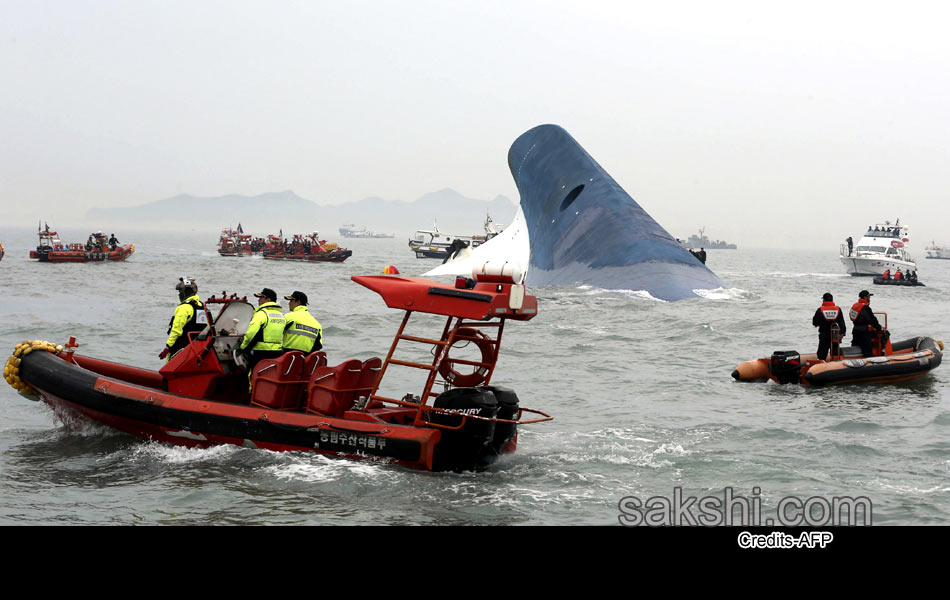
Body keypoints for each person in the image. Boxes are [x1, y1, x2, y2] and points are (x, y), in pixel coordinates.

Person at [239, 288, 286, 380]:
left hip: (260, 353)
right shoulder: (281, 316)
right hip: (277, 353)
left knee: (254, 375)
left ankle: (251, 392)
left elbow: (250, 335)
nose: (258, 300)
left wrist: (243, 347)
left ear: (268, 300)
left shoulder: (261, 314)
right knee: (270, 377)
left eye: (261, 298)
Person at [160, 277, 207, 360]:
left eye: (180, 291)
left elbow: (176, 330)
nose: (179, 294)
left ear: (187, 292)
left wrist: (168, 346)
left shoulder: (184, 308)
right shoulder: (201, 306)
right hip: (197, 350)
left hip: (181, 349)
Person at [813, 292, 846, 361]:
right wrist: (842, 333)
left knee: (822, 354)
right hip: (835, 335)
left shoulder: (820, 310)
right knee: (835, 353)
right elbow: (842, 324)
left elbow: (815, 323)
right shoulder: (838, 309)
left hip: (824, 334)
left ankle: (822, 367)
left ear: (824, 300)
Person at [849, 290, 883, 357]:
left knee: (854, 351)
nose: (869, 299)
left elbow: (852, 317)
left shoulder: (855, 306)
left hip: (855, 331)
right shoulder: (865, 308)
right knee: (868, 353)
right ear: (865, 297)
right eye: (869, 297)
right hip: (864, 333)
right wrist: (879, 329)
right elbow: (872, 320)